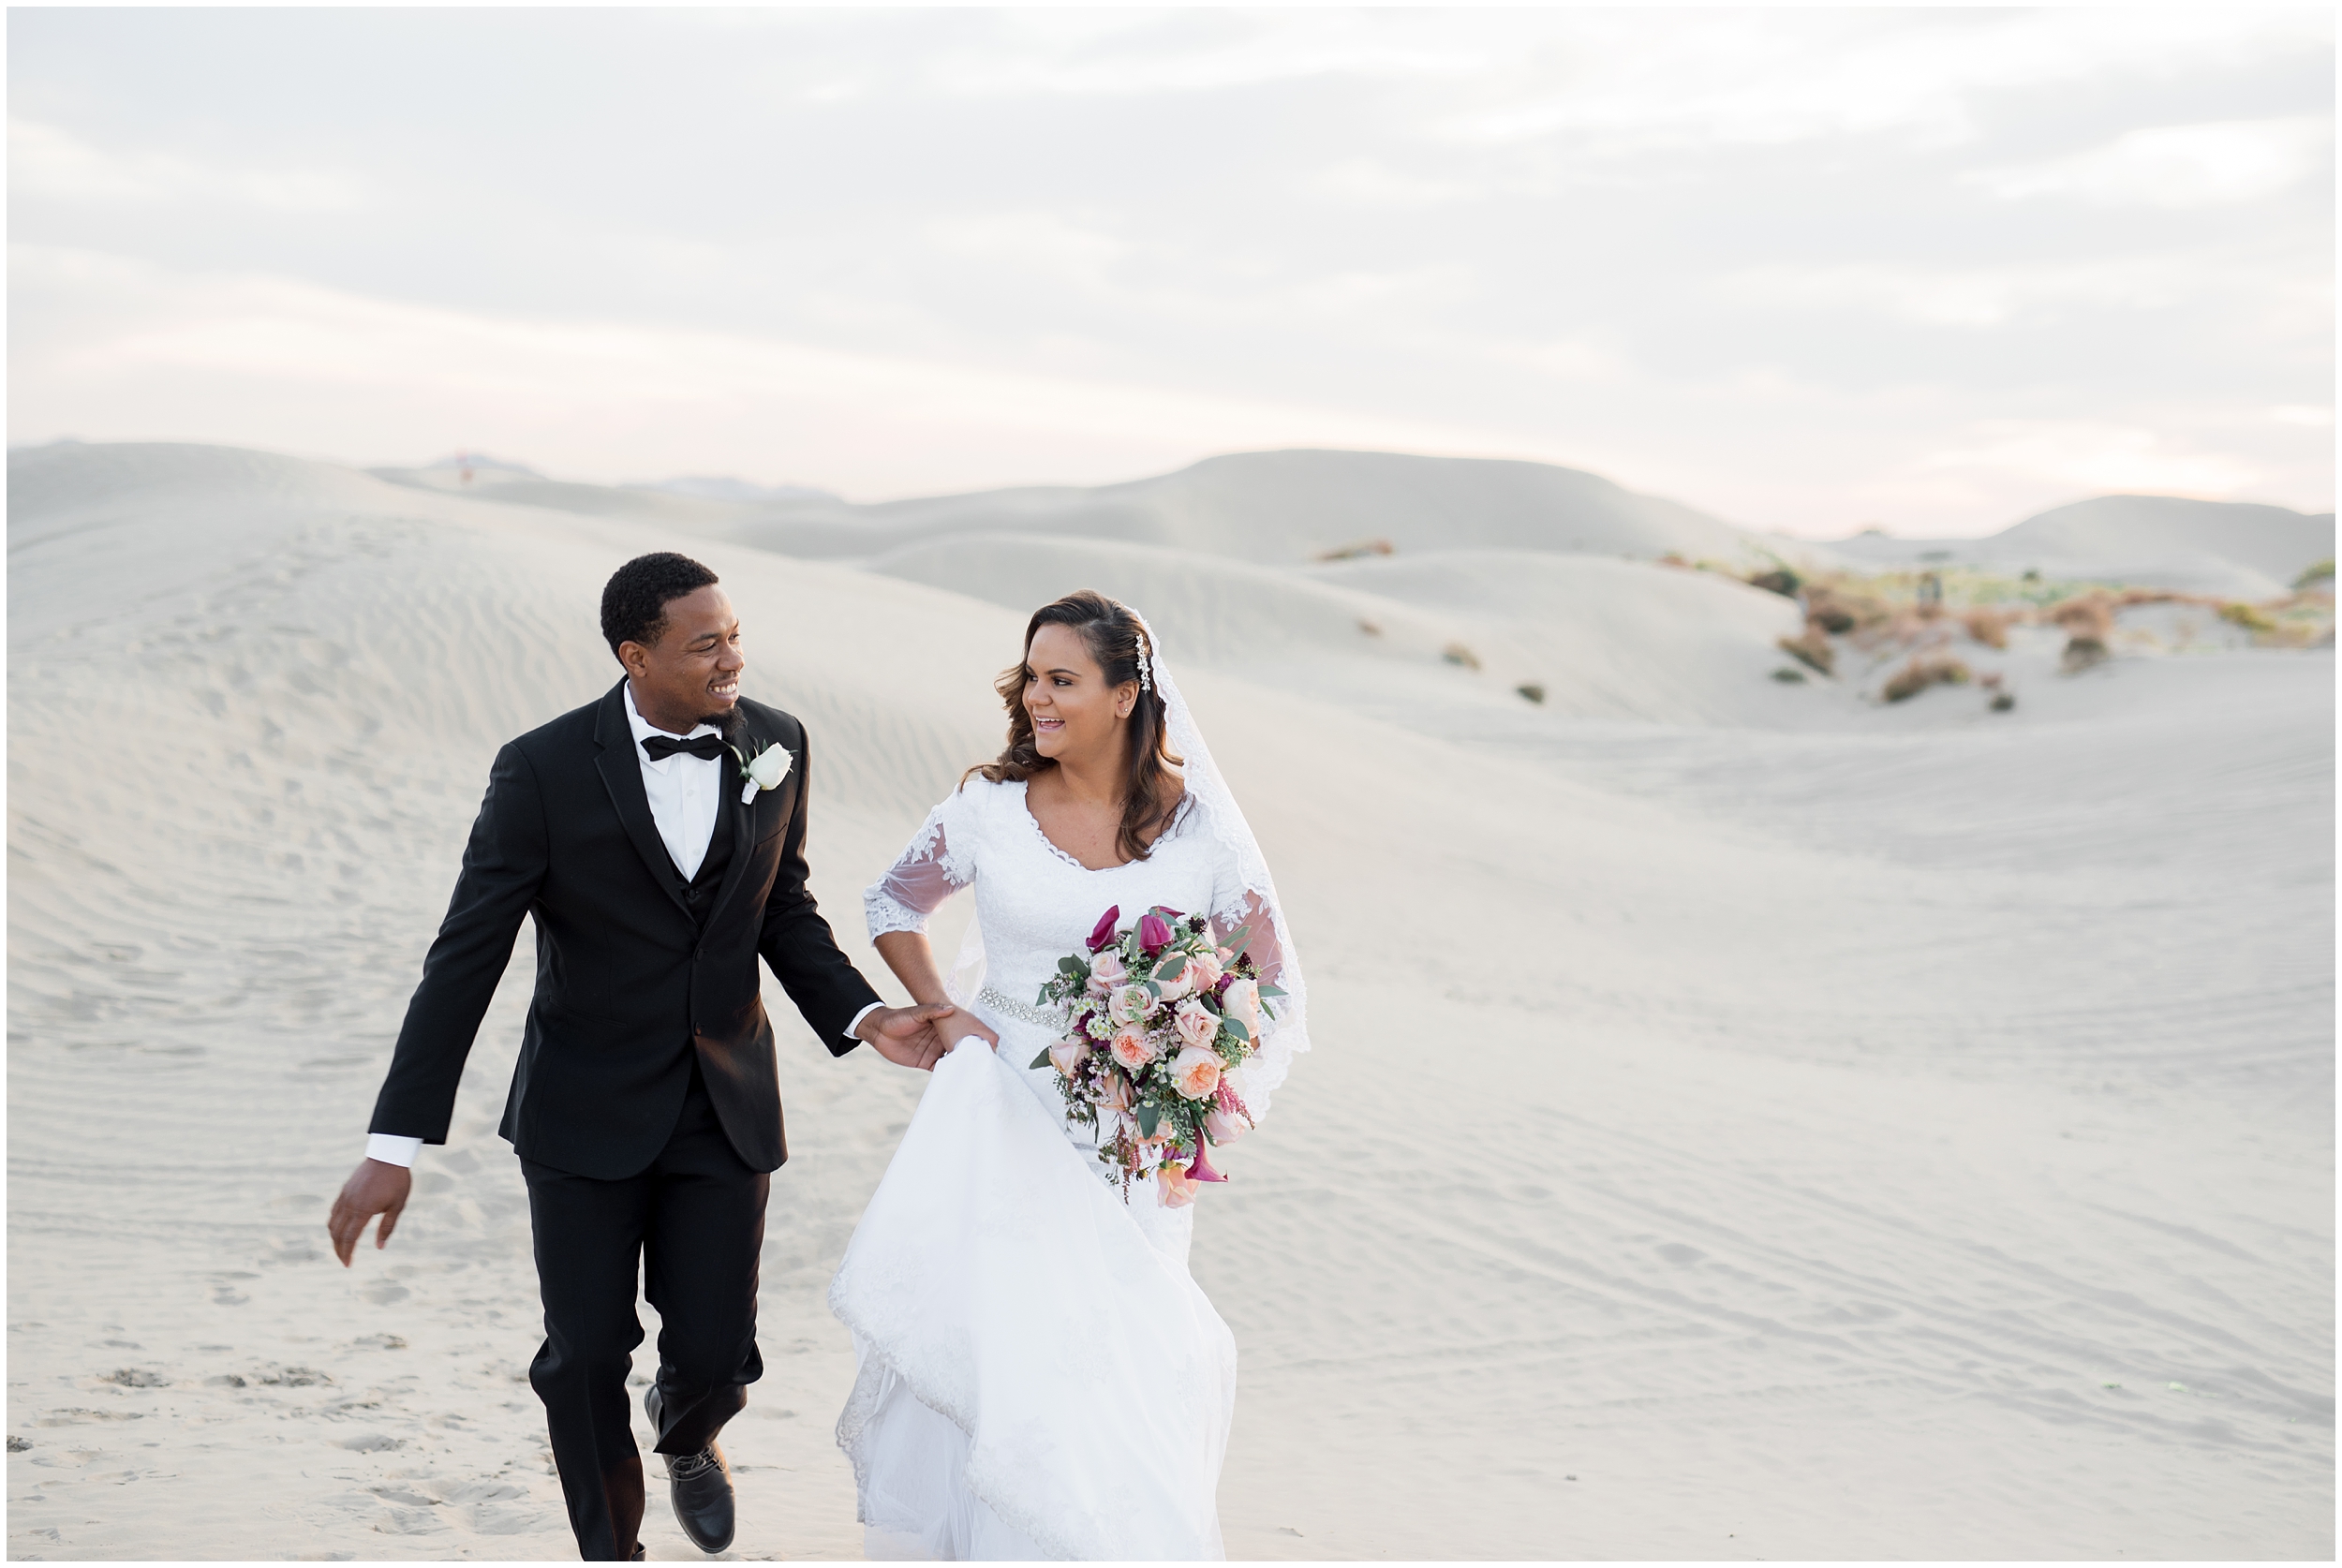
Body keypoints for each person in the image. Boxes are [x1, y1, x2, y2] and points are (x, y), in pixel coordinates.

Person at [326, 553, 974, 1561]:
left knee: (716, 1352)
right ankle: (609, 1550)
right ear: (635, 656)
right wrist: (394, 1142)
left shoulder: (778, 743)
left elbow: (783, 906)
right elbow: (465, 959)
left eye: (735, 634)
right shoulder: (539, 770)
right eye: (704, 643)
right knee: (584, 1357)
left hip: (726, 1104)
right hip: (581, 1111)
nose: (732, 659)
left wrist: (857, 1016)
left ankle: (688, 1432)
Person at [833, 590, 1312, 1560]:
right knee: (1018, 1366)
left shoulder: (1202, 833)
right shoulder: (988, 810)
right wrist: (943, 1007)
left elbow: (1267, 982)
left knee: (1122, 1363)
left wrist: (1205, 1108)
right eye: (1032, 678)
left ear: (1128, 694)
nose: (1038, 700)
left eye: (1063, 681)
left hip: (1137, 1146)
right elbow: (892, 898)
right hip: (1005, 1115)